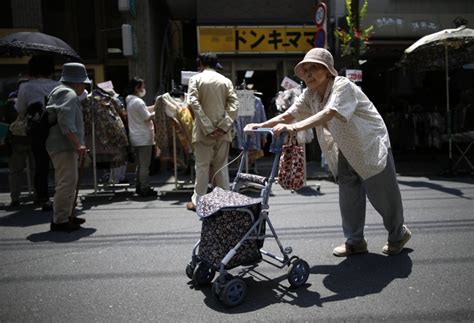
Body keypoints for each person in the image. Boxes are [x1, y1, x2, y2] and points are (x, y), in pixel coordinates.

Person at [244, 48, 411, 256]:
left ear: (328, 70)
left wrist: (295, 128)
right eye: (305, 70)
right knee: (348, 195)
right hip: (344, 147)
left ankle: (398, 234)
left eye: (314, 68)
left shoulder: (342, 85)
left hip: (369, 144)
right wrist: (260, 125)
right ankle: (355, 241)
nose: (308, 74)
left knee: (382, 194)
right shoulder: (310, 93)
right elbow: (290, 114)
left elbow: (330, 112)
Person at [186, 52, 239, 211]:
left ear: (200, 63)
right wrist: (223, 126)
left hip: (203, 132)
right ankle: (224, 201)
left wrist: (208, 127)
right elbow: (234, 105)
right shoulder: (226, 81)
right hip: (223, 132)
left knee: (202, 167)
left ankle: (198, 202)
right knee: (221, 166)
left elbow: (193, 103)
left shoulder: (195, 79)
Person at [46, 63, 89, 232]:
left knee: (68, 181)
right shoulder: (68, 94)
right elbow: (65, 121)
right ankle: (60, 220)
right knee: (67, 182)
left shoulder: (59, 91)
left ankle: (68, 214)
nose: (84, 86)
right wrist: (77, 144)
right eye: (84, 83)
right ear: (77, 82)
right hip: (64, 146)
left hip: (60, 145)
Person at [15, 55, 59, 211]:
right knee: (60, 164)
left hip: (37, 130)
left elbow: (20, 110)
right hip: (57, 129)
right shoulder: (59, 85)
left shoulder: (25, 87)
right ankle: (61, 196)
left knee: (41, 165)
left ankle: (43, 197)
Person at [125, 77, 157, 197]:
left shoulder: (130, 100)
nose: (144, 89)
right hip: (144, 137)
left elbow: (143, 112)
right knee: (144, 166)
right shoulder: (138, 102)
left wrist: (154, 107)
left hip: (135, 137)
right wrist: (157, 111)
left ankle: (139, 186)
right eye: (142, 87)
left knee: (140, 165)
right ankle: (144, 188)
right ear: (136, 88)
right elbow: (147, 117)